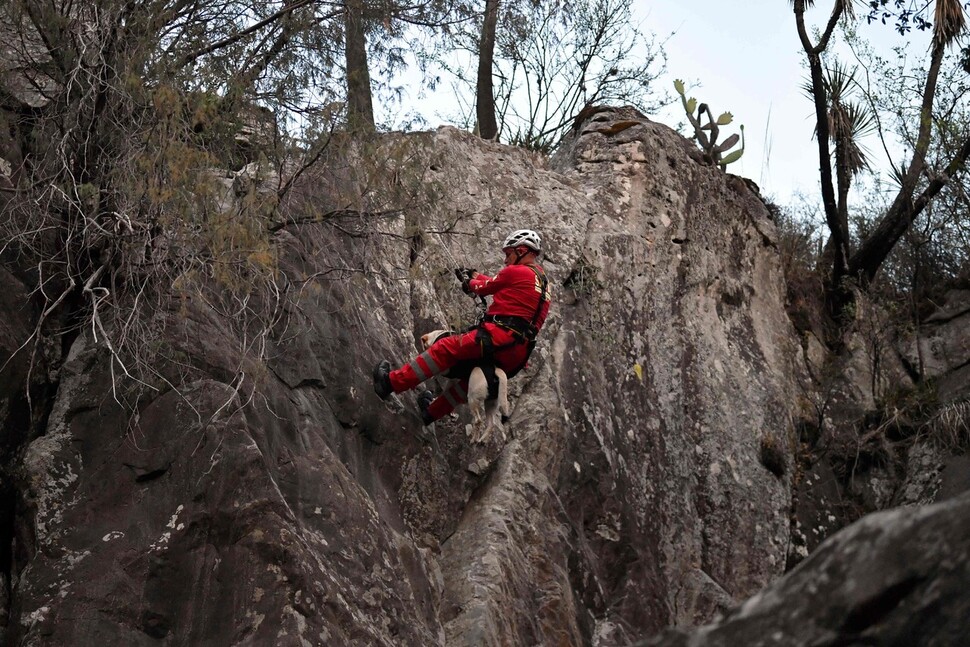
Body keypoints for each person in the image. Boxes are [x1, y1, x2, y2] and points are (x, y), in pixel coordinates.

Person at [373, 229, 551, 425]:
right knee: (468, 379)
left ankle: (390, 383)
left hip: (498, 338)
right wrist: (474, 275)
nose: (505, 260)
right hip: (516, 354)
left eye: (508, 254)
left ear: (522, 251)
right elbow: (500, 285)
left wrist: (470, 283)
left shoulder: (516, 271)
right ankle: (431, 412)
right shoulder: (542, 281)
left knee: (444, 348)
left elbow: (484, 287)